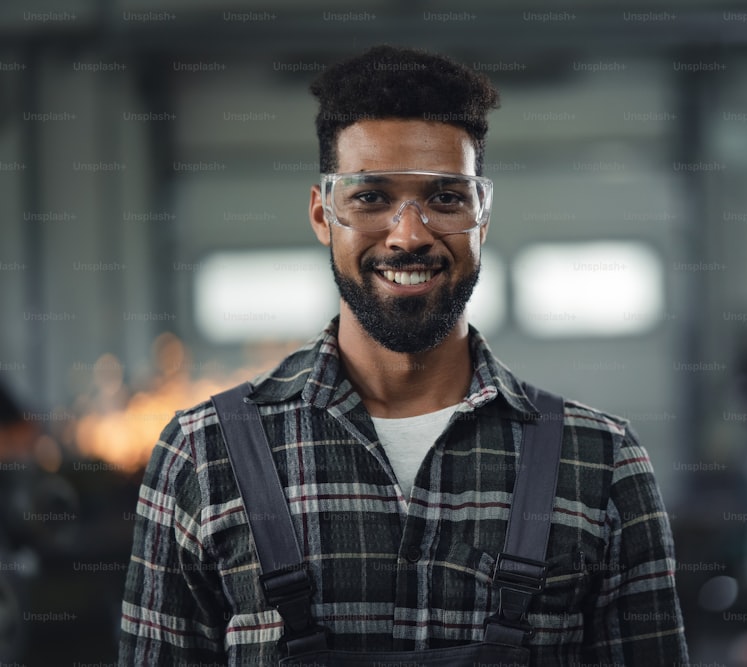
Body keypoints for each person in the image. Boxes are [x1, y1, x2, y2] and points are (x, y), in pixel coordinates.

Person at [118, 45, 688, 666]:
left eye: (445, 199)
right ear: (321, 214)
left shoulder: (601, 462)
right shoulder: (202, 454)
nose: (409, 234)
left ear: (482, 216)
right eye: (370, 198)